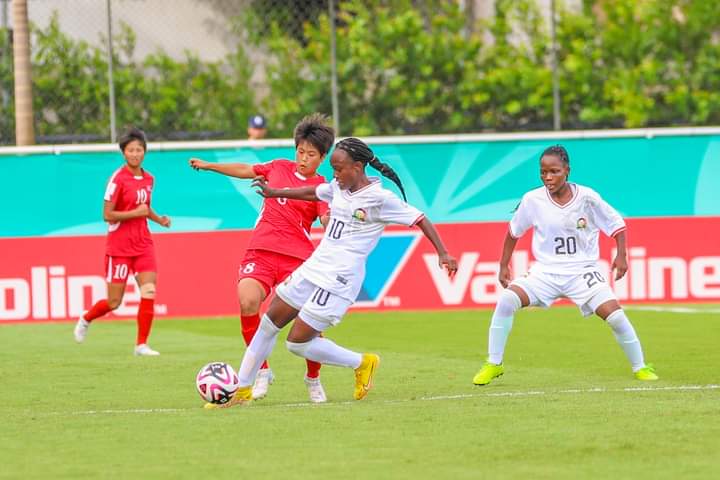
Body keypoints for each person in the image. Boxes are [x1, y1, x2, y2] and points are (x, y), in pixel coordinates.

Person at [205, 137, 459, 409]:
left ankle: (362, 363)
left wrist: (443, 252)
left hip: (339, 280)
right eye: (334, 169)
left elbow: (420, 218)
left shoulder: (380, 199)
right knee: (268, 324)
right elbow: (312, 192)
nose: (334, 175)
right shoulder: (339, 187)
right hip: (314, 267)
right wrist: (274, 192)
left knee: (296, 344)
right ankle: (242, 389)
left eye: (339, 169)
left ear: (358, 167)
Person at [472, 145, 658, 386]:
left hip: (583, 272)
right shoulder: (532, 200)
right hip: (545, 272)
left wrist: (622, 255)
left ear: (567, 170)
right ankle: (494, 364)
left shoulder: (588, 198)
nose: (548, 177)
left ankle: (640, 367)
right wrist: (503, 265)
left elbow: (616, 225)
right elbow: (513, 232)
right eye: (543, 172)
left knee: (615, 317)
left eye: (554, 171)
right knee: (507, 299)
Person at [189, 113, 335, 403]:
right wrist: (210, 166)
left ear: (322, 158)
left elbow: (325, 218)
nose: (303, 158)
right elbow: (246, 169)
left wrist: (332, 222)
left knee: (309, 321)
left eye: (311, 154)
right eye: (300, 151)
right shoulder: (278, 167)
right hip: (262, 251)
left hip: (298, 260)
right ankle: (262, 371)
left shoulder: (322, 187)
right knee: (248, 301)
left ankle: (313, 379)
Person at [73, 127, 171, 356]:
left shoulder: (149, 179)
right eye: (131, 150)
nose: (135, 154)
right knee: (114, 302)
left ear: (144, 152)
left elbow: (144, 208)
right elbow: (107, 214)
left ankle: (141, 345)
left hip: (143, 244)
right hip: (119, 247)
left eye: (139, 150)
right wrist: (135, 214)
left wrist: (159, 219)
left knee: (148, 290)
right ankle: (86, 318)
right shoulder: (117, 180)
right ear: (123, 153)